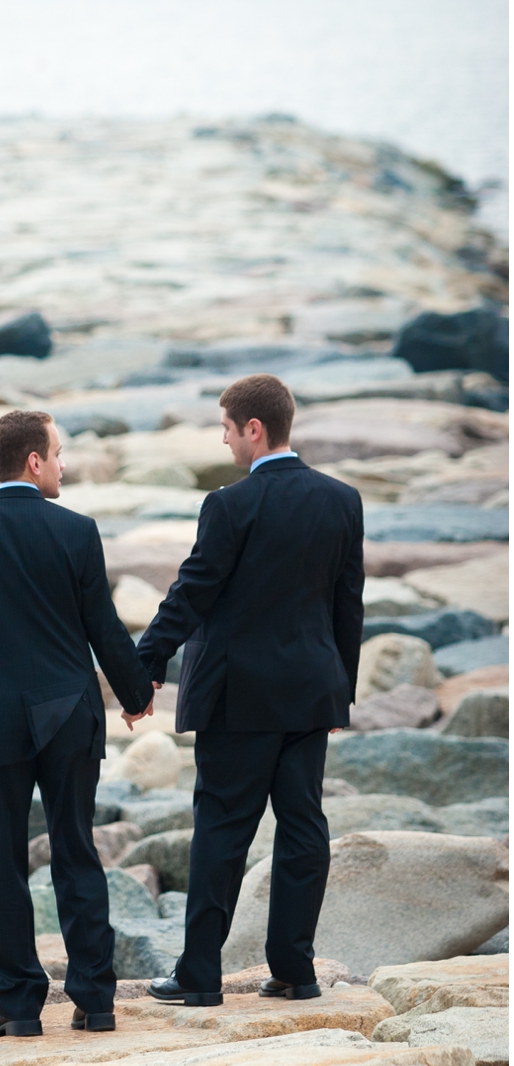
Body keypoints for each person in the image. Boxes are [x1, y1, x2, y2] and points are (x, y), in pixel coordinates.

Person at [135, 373, 364, 1005]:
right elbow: (349, 603)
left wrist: (143, 662)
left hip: (238, 700)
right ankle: (295, 970)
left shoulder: (230, 505)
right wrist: (338, 691)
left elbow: (192, 593)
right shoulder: (342, 500)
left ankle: (199, 977)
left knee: (221, 832)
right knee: (302, 829)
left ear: (254, 429)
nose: (226, 439)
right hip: (310, 694)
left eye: (227, 428)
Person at [0, 410, 155, 1037]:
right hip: (69, 716)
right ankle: (95, 1000)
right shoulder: (76, 531)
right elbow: (101, 625)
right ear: (33, 461)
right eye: (57, 453)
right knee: (76, 851)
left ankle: (20, 1008)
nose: (62, 464)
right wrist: (135, 693)